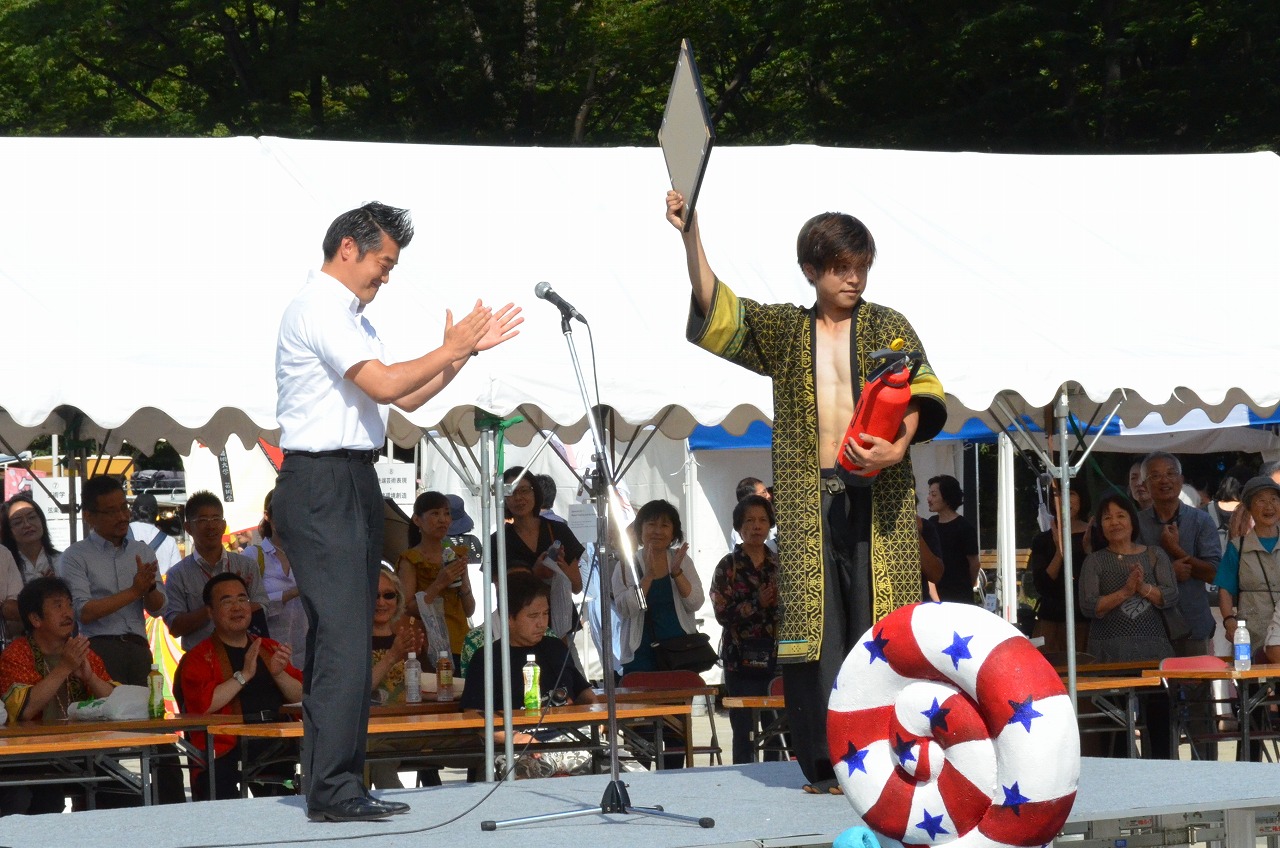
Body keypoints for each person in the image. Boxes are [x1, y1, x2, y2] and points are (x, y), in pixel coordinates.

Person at [668, 192, 946, 793]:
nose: (855, 277)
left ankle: (897, 761)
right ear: (811, 270)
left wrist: (899, 446)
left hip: (882, 500)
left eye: (862, 266)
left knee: (885, 629)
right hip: (807, 497)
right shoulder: (785, 330)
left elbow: (923, 393)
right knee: (816, 635)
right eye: (843, 266)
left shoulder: (889, 326)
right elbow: (717, 307)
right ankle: (823, 767)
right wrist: (691, 234)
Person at [272, 201, 520, 822]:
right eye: (383, 263)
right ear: (348, 249)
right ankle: (331, 788)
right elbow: (385, 384)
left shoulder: (351, 317)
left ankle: (340, 782)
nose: (386, 277)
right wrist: (451, 346)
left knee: (349, 638)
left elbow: (406, 396)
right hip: (320, 480)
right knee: (344, 640)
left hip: (352, 478)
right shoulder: (317, 307)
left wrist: (459, 354)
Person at [175, 573, 304, 801]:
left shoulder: (269, 647)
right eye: (227, 601)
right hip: (227, 746)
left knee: (286, 806)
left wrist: (279, 674)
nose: (237, 607)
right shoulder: (198, 657)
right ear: (210, 612)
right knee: (221, 801)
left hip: (275, 742)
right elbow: (202, 706)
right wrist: (243, 676)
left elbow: (301, 697)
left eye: (242, 599)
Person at [0, 577, 115, 815]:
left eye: (69, 605)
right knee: (45, 799)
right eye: (57, 605)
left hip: (82, 755)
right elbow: (24, 710)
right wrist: (64, 667)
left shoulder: (82, 651)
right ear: (35, 619)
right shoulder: (17, 653)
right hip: (30, 759)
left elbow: (115, 702)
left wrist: (90, 678)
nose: (68, 612)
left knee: (124, 790)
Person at [1077, 492, 1178, 758]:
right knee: (1116, 726)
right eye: (1107, 517)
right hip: (1109, 655)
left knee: (1159, 723)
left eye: (1120, 515)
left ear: (1132, 521)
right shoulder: (1095, 561)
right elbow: (1090, 607)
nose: (1114, 522)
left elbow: (1169, 596)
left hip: (1154, 653)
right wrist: (1125, 591)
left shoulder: (1155, 555)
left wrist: (1142, 587)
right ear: (1100, 525)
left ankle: (1164, 778)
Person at [56, 475, 164, 686]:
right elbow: (83, 612)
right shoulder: (75, 556)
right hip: (99, 649)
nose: (123, 516)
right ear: (89, 516)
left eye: (124, 508)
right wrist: (134, 591)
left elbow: (158, 609)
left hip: (139, 648)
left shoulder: (142, 551)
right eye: (112, 512)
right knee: (106, 715)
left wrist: (149, 587)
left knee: (144, 715)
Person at [460, 570, 595, 712]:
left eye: (545, 613)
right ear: (508, 618)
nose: (541, 623)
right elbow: (474, 714)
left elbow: (584, 693)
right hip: (514, 733)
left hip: (566, 731)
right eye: (533, 616)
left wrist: (597, 715)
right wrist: (517, 736)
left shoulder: (556, 648)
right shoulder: (486, 659)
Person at [710, 494, 780, 764]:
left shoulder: (779, 564)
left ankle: (776, 775)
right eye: (749, 520)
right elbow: (721, 613)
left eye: (762, 520)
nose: (756, 526)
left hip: (776, 657)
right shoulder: (728, 566)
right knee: (744, 728)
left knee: (776, 726)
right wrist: (756, 603)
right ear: (739, 527)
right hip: (741, 658)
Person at [161, 490, 270, 652]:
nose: (211, 525)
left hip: (245, 656)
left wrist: (238, 602)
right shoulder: (177, 574)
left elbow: (263, 608)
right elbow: (175, 627)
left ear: (224, 525)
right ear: (188, 527)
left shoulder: (246, 566)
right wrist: (212, 609)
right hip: (201, 660)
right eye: (203, 520)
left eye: (216, 519)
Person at [1136, 452, 1221, 657]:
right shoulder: (1136, 523)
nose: (1164, 480)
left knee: (1198, 686)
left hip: (1193, 621)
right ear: (1145, 486)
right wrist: (1168, 572)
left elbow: (1215, 574)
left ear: (1181, 481)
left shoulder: (1201, 520)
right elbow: (1127, 573)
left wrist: (1177, 550)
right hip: (1149, 625)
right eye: (1155, 476)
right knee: (1155, 688)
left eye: (1171, 473)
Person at [612, 499, 704, 677]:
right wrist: (648, 577)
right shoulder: (626, 565)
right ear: (640, 530)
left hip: (681, 652)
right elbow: (626, 609)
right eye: (651, 524)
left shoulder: (682, 560)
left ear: (673, 533)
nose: (657, 531)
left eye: (665, 525)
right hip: (641, 655)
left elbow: (695, 603)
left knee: (680, 704)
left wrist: (677, 573)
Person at [491, 466, 584, 641]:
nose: (518, 498)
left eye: (524, 490)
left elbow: (577, 587)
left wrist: (562, 568)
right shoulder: (498, 541)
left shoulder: (558, 530)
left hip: (560, 625)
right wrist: (535, 574)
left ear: (535, 492)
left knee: (566, 667)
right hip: (520, 629)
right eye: (510, 492)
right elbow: (501, 594)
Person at [397, 490, 475, 664]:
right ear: (417, 520)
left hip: (460, 641)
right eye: (435, 514)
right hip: (428, 644)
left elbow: (469, 610)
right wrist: (439, 583)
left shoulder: (457, 554)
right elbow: (406, 608)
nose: (443, 519)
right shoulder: (410, 560)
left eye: (447, 513)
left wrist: (463, 586)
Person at [367, 567, 426, 789]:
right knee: (381, 762)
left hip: (416, 727)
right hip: (377, 734)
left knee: (478, 748)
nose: (381, 602)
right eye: (374, 595)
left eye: (388, 595)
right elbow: (359, 691)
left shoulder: (406, 638)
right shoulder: (355, 644)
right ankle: (403, 815)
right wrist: (392, 656)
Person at [1215, 476, 1280, 661]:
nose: (1269, 506)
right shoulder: (1238, 547)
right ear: (1249, 508)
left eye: (1274, 499)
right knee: (1253, 687)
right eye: (1261, 500)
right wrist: (1229, 621)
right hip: (1251, 633)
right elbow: (1225, 589)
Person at [241, 489, 308, 669]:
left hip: (305, 654)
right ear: (268, 516)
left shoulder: (308, 558)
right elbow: (245, 606)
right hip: (265, 654)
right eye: (282, 512)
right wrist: (292, 592)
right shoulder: (253, 556)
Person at [1028, 482, 1091, 654]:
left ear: (1081, 497)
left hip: (1087, 621)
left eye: (1071, 493)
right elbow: (1041, 586)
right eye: (1059, 494)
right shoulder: (1042, 540)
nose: (1064, 500)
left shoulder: (1096, 534)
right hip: (1051, 621)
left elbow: (1100, 580)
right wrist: (1060, 552)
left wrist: (1088, 551)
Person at [924, 474, 980, 603]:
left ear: (947, 497)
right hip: (934, 589)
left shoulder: (964, 527)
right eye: (929, 494)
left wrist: (966, 585)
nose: (928, 499)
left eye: (933, 495)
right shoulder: (930, 523)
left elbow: (974, 563)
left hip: (958, 593)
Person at [2, 494, 59, 583]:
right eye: (18, 522)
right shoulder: (4, 565)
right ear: (9, 532)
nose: (27, 525)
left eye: (32, 517)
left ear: (42, 520)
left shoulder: (62, 560)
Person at [127, 492, 181, 576]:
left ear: (132, 512)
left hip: (126, 588)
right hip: (158, 588)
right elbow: (177, 575)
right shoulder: (169, 542)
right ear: (156, 514)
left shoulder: (121, 535)